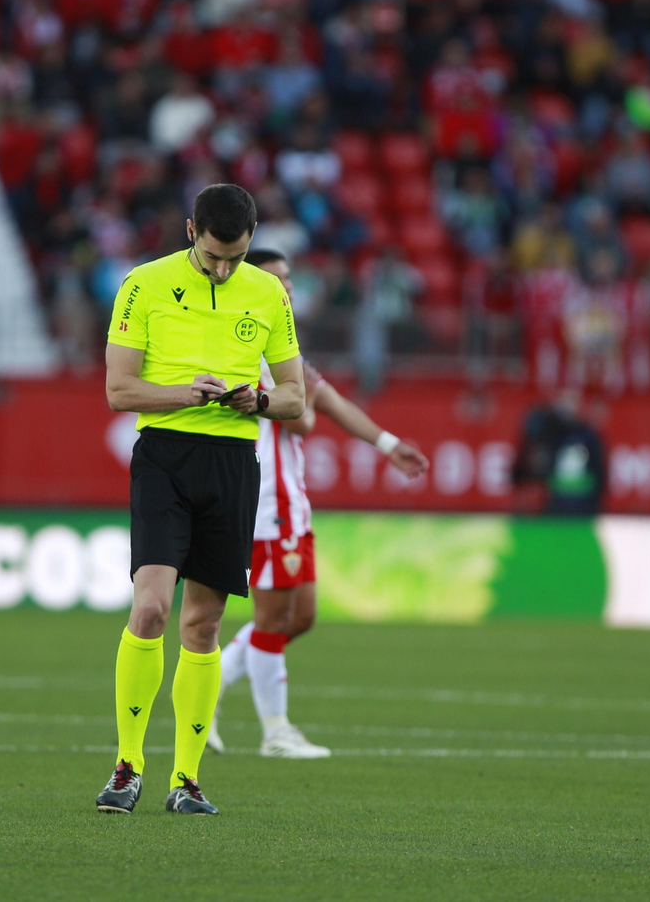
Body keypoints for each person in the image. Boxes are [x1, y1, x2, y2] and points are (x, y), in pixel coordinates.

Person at [95, 183, 306, 816]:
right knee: (152, 609)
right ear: (191, 231)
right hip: (164, 457)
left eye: (235, 258)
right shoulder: (143, 284)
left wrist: (257, 400)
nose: (222, 269)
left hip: (233, 464)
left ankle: (185, 780)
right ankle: (127, 766)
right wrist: (185, 393)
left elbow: (294, 396)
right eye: (213, 255)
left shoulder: (269, 293)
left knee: (204, 625)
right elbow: (119, 390)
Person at [210, 249, 429, 759]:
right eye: (277, 280)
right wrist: (297, 399)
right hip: (266, 502)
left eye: (289, 279)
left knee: (301, 616)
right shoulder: (244, 348)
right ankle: (275, 731)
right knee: (272, 619)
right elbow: (303, 419)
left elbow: (329, 402)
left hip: (291, 501)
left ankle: (214, 678)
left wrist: (388, 445)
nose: (288, 288)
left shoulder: (283, 348)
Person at [511, 390, 607, 515]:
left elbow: (599, 473)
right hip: (557, 506)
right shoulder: (552, 435)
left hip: (583, 507)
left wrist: (595, 504)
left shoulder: (589, 437)